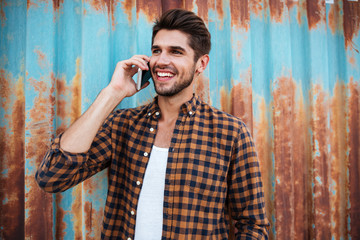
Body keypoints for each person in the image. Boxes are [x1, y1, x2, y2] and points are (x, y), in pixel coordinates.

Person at [36, 8, 269, 240]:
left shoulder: (230, 133)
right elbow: (52, 177)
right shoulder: (123, 125)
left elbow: (253, 226)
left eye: (176, 52)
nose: (161, 61)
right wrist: (113, 93)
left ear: (201, 64)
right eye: (156, 51)